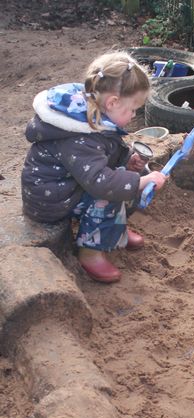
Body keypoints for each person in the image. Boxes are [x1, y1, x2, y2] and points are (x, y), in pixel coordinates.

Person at [21, 51, 168, 283]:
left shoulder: (93, 115)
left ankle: (114, 231)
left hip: (70, 184)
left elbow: (104, 152)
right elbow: (101, 183)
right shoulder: (78, 135)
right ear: (112, 102)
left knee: (123, 178)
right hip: (51, 198)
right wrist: (140, 181)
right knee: (110, 193)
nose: (133, 115)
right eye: (132, 110)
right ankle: (91, 252)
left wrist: (127, 161)